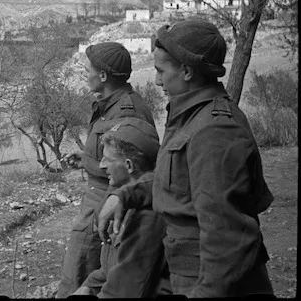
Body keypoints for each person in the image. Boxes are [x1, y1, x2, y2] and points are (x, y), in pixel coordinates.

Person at [97, 19, 274, 297]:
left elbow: (226, 238)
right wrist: (124, 195)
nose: (156, 81)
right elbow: (180, 183)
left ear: (187, 71)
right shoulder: (190, 116)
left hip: (210, 282)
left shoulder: (215, 130)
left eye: (161, 71)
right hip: (188, 273)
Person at [55, 42, 155, 298]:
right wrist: (87, 160)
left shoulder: (126, 112)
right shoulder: (111, 104)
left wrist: (112, 203)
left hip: (104, 206)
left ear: (102, 76)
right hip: (99, 202)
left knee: (78, 281)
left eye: (87, 70)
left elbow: (132, 169)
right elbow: (114, 157)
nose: (84, 74)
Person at [72, 117, 170, 298]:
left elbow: (124, 291)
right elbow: (108, 271)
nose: (101, 165)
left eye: (108, 159)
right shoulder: (122, 203)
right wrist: (88, 287)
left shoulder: (146, 216)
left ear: (129, 166)